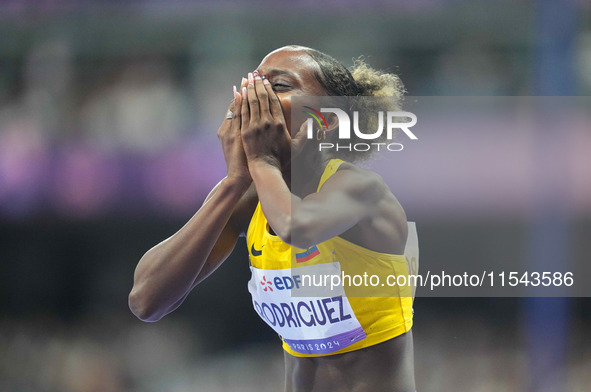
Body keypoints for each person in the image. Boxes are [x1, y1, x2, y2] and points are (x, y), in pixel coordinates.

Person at [129, 45, 417, 392]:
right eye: (252, 85)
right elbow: (147, 300)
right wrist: (233, 182)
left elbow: (297, 227)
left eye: (278, 87)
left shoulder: (360, 189)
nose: (255, 98)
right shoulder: (252, 203)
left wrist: (262, 162)